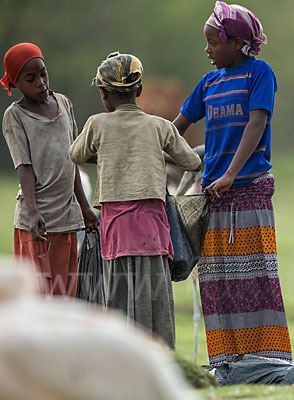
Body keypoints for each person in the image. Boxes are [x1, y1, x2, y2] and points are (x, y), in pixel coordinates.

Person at [172, 1, 293, 367]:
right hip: (214, 198)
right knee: (218, 283)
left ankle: (268, 360)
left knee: (255, 277)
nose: (207, 49)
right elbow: (176, 129)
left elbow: (256, 126)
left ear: (238, 43)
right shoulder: (209, 82)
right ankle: (225, 360)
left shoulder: (260, 73)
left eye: (213, 42)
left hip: (248, 192)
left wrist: (230, 174)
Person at [69, 52, 202, 348]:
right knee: (155, 295)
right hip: (153, 229)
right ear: (139, 91)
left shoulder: (97, 124)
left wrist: (107, 155)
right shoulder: (159, 127)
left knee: (118, 294)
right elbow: (192, 162)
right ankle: (161, 356)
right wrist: (155, 153)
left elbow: (75, 155)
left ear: (103, 94)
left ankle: (123, 355)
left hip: (115, 229)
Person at [1, 42, 99, 297]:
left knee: (65, 296)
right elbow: (24, 165)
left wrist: (85, 208)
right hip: (38, 223)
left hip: (66, 217)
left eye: (43, 74)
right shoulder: (15, 116)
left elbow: (73, 160)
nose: (40, 84)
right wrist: (33, 213)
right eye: (30, 79)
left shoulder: (64, 104)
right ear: (16, 83)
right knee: (37, 298)